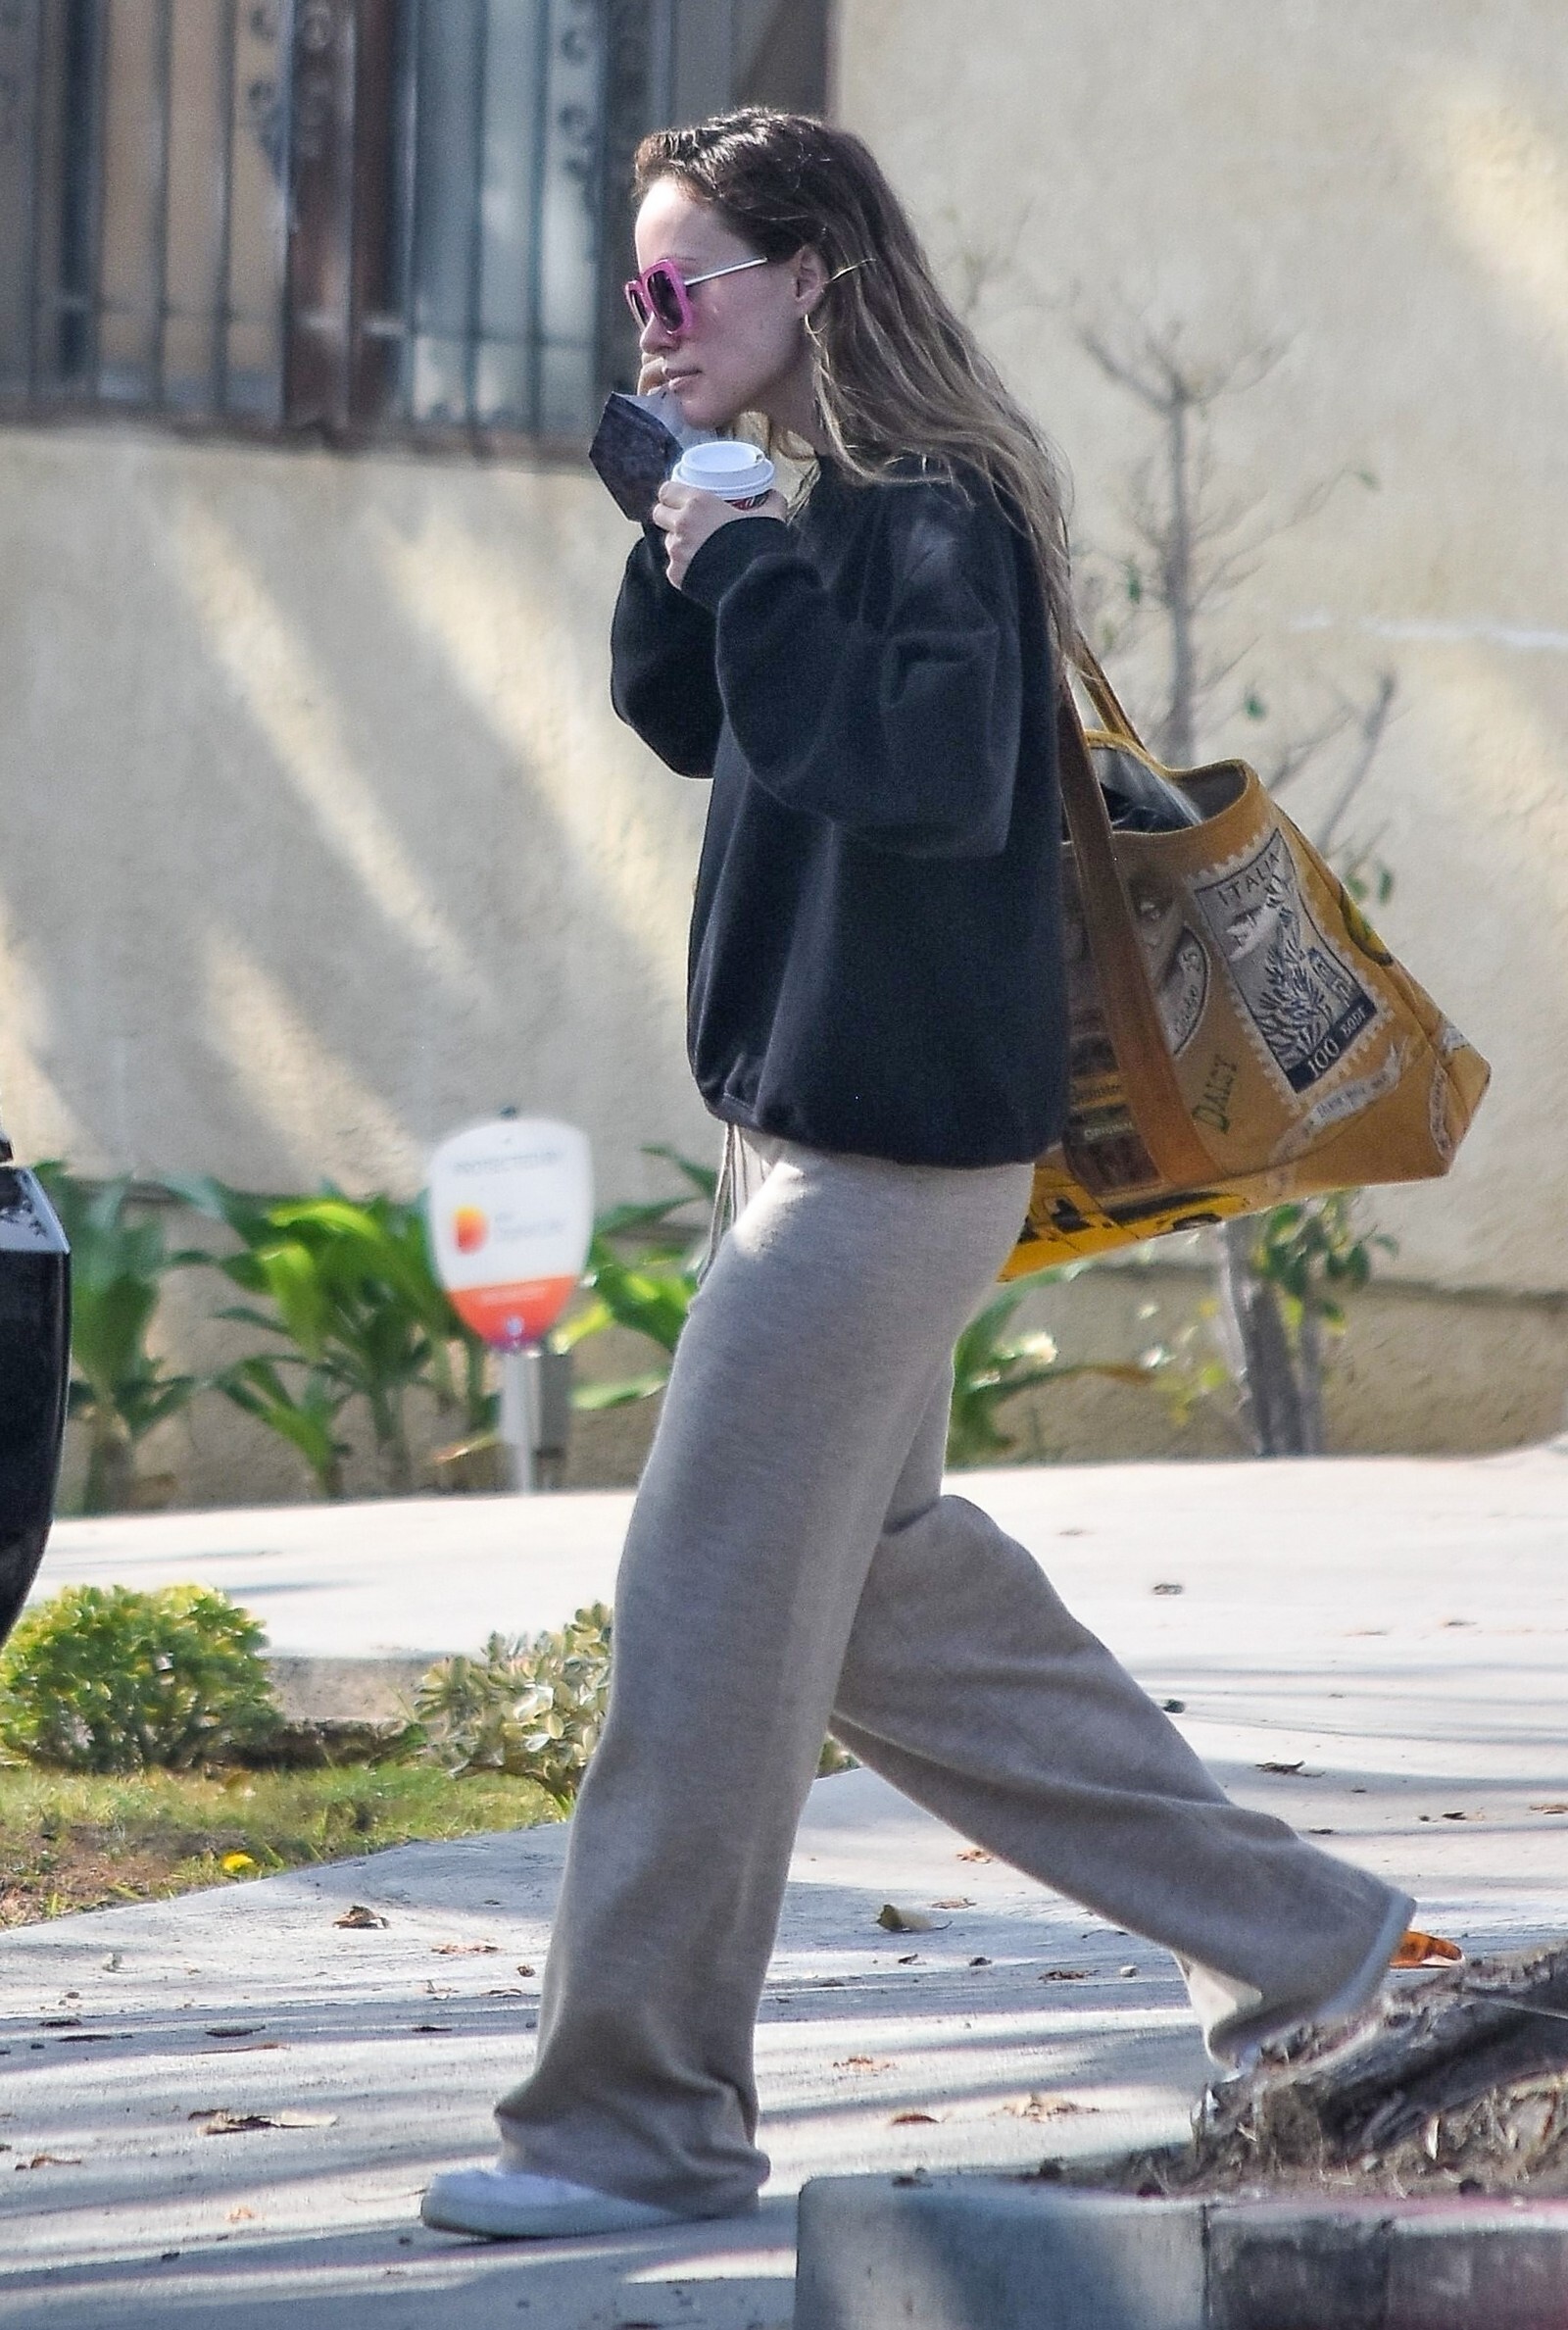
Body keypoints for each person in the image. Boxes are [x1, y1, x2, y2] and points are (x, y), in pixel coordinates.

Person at [420, 107, 1414, 2243]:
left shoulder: (938, 507)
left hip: (878, 1176)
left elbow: (923, 778)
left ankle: (635, 2127)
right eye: (635, 288)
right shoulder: (816, 504)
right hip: (804, 1148)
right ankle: (1314, 1948)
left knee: (699, 1619)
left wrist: (751, 553)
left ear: (812, 278)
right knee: (889, 1618)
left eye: (680, 281)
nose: (648, 319)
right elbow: (698, 720)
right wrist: (688, 527)